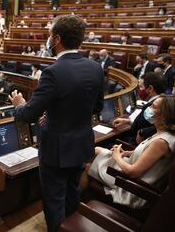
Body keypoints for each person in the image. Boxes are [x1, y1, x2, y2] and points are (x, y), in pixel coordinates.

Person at [9, 15, 104, 232]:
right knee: (72, 194)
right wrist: (55, 116)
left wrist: (19, 104)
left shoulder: (53, 72)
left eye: (50, 36)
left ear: (57, 39)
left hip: (56, 151)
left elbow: (29, 114)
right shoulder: (95, 68)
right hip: (81, 145)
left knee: (54, 201)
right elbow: (96, 107)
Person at [87, 95, 175, 209]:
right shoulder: (164, 132)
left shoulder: (161, 142)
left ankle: (76, 209)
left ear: (163, 116)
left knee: (86, 167)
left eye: (153, 106)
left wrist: (117, 156)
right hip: (130, 173)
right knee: (96, 150)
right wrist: (128, 153)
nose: (148, 108)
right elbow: (149, 155)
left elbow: (132, 172)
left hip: (131, 187)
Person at [113, 72, 166, 144]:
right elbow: (146, 123)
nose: (139, 90)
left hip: (137, 143)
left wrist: (142, 132)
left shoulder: (153, 107)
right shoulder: (165, 101)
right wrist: (127, 121)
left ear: (150, 88)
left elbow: (140, 126)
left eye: (141, 87)